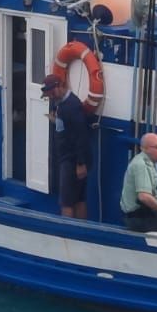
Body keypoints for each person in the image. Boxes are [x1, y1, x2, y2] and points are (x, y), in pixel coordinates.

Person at [43, 72, 93, 219]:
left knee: (67, 202)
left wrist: (80, 163)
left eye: (52, 92)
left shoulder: (71, 106)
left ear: (59, 87)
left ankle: (66, 236)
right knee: (78, 199)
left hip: (72, 160)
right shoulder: (61, 104)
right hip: (69, 158)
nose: (51, 96)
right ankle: (81, 233)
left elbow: (81, 135)